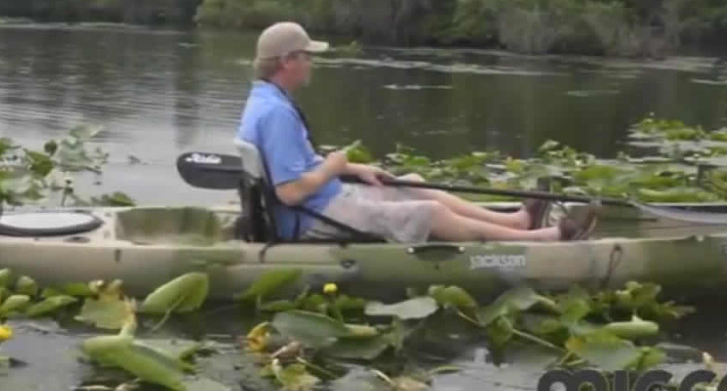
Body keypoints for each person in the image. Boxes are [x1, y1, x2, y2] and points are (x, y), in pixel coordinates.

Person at [235, 21, 599, 244]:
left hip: (325, 199)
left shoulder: (267, 100)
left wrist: (352, 169)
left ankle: (516, 220)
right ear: (287, 61)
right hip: (313, 218)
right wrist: (331, 168)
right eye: (306, 56)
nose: (310, 63)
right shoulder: (276, 114)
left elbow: (296, 167)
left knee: (411, 181)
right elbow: (290, 191)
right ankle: (541, 239)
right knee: (428, 213)